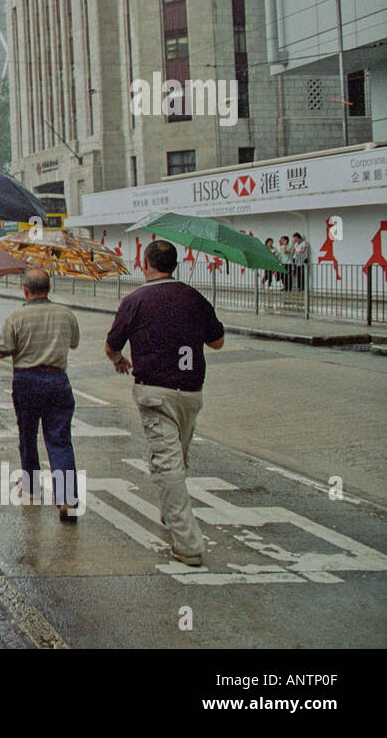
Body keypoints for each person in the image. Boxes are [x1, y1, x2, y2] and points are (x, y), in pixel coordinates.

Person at [104, 240, 224, 567]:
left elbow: (112, 344)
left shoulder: (136, 300)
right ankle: (173, 516)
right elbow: (217, 341)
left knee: (169, 464)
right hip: (191, 393)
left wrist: (118, 359)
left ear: (146, 264)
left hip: (155, 392)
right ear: (176, 263)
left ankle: (188, 545)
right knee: (176, 459)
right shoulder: (194, 297)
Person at [0, 268, 82, 521]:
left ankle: (31, 487)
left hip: (27, 381)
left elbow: (1, 350)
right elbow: (74, 343)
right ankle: (67, 498)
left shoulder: (17, 317)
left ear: (25, 290)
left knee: (28, 435)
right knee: (60, 439)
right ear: (49, 289)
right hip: (57, 381)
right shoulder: (65, 314)